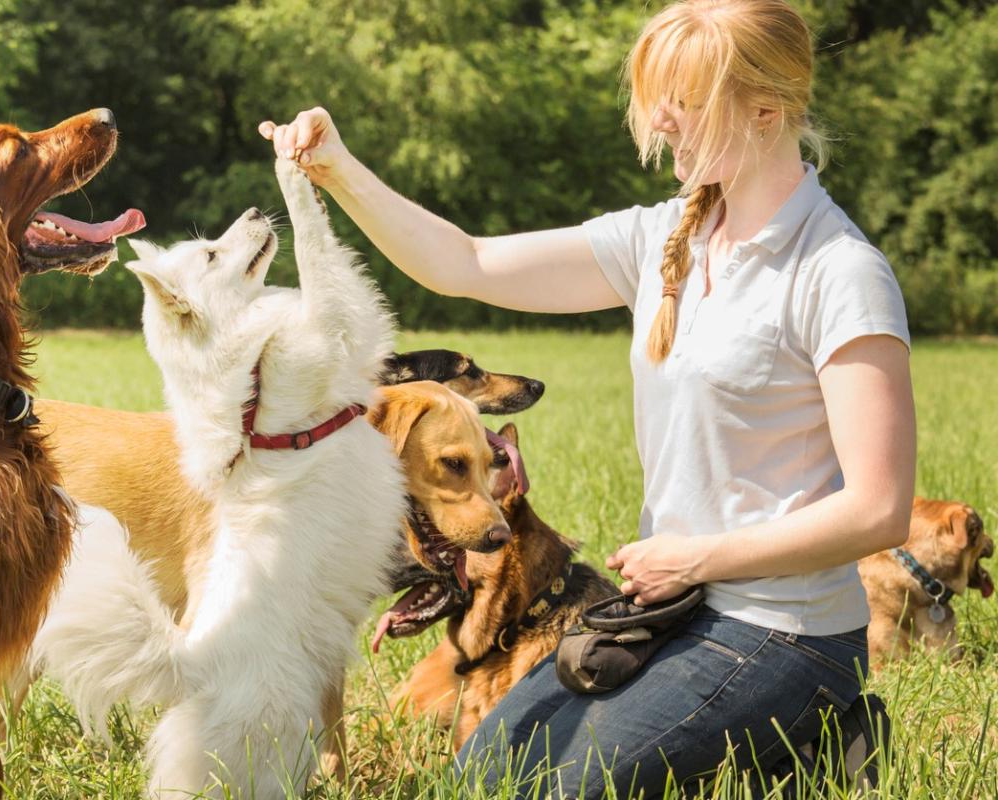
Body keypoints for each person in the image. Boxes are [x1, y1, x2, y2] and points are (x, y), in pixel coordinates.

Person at [259, 0, 914, 796]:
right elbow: (467, 262)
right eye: (657, 98)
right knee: (482, 775)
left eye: (685, 100)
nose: (662, 120)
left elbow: (879, 510)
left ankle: (818, 718)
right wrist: (341, 168)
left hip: (785, 631)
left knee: (547, 791)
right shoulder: (664, 239)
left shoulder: (840, 272)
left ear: (767, 112)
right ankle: (800, 756)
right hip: (675, 610)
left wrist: (699, 556)